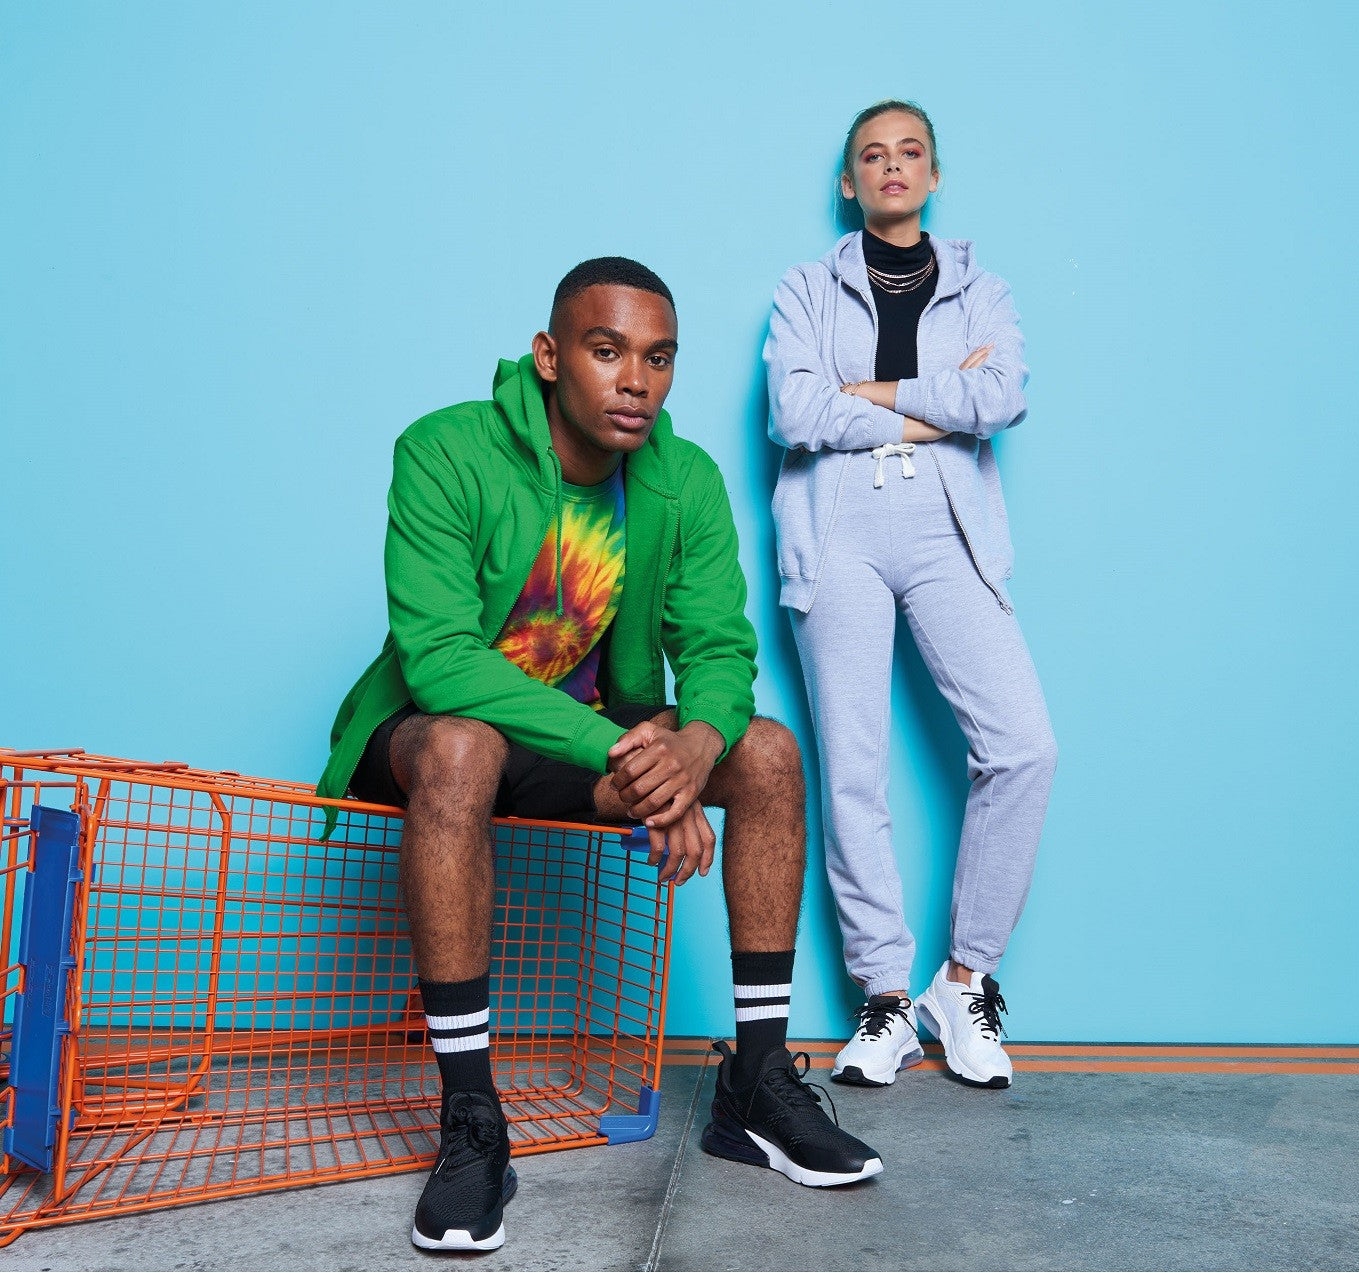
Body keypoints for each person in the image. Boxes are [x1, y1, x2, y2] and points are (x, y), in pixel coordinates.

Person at [316, 258, 882, 1253]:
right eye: (607, 350)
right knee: (461, 746)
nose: (636, 381)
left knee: (767, 751)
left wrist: (693, 745)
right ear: (549, 357)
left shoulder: (683, 477)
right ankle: (472, 1119)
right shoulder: (445, 449)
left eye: (658, 359)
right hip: (440, 735)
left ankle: (755, 1083)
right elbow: (439, 659)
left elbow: (717, 649)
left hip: (587, 738)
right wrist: (631, 751)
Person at [764, 102, 1057, 1092]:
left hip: (947, 527)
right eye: (872, 155)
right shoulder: (806, 289)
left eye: (911, 152)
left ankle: (963, 982)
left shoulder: (984, 290)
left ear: (934, 176)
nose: (892, 167)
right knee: (854, 766)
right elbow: (793, 410)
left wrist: (873, 391)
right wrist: (937, 400)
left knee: (1023, 746)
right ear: (848, 183)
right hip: (837, 526)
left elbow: (1002, 396)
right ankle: (884, 997)